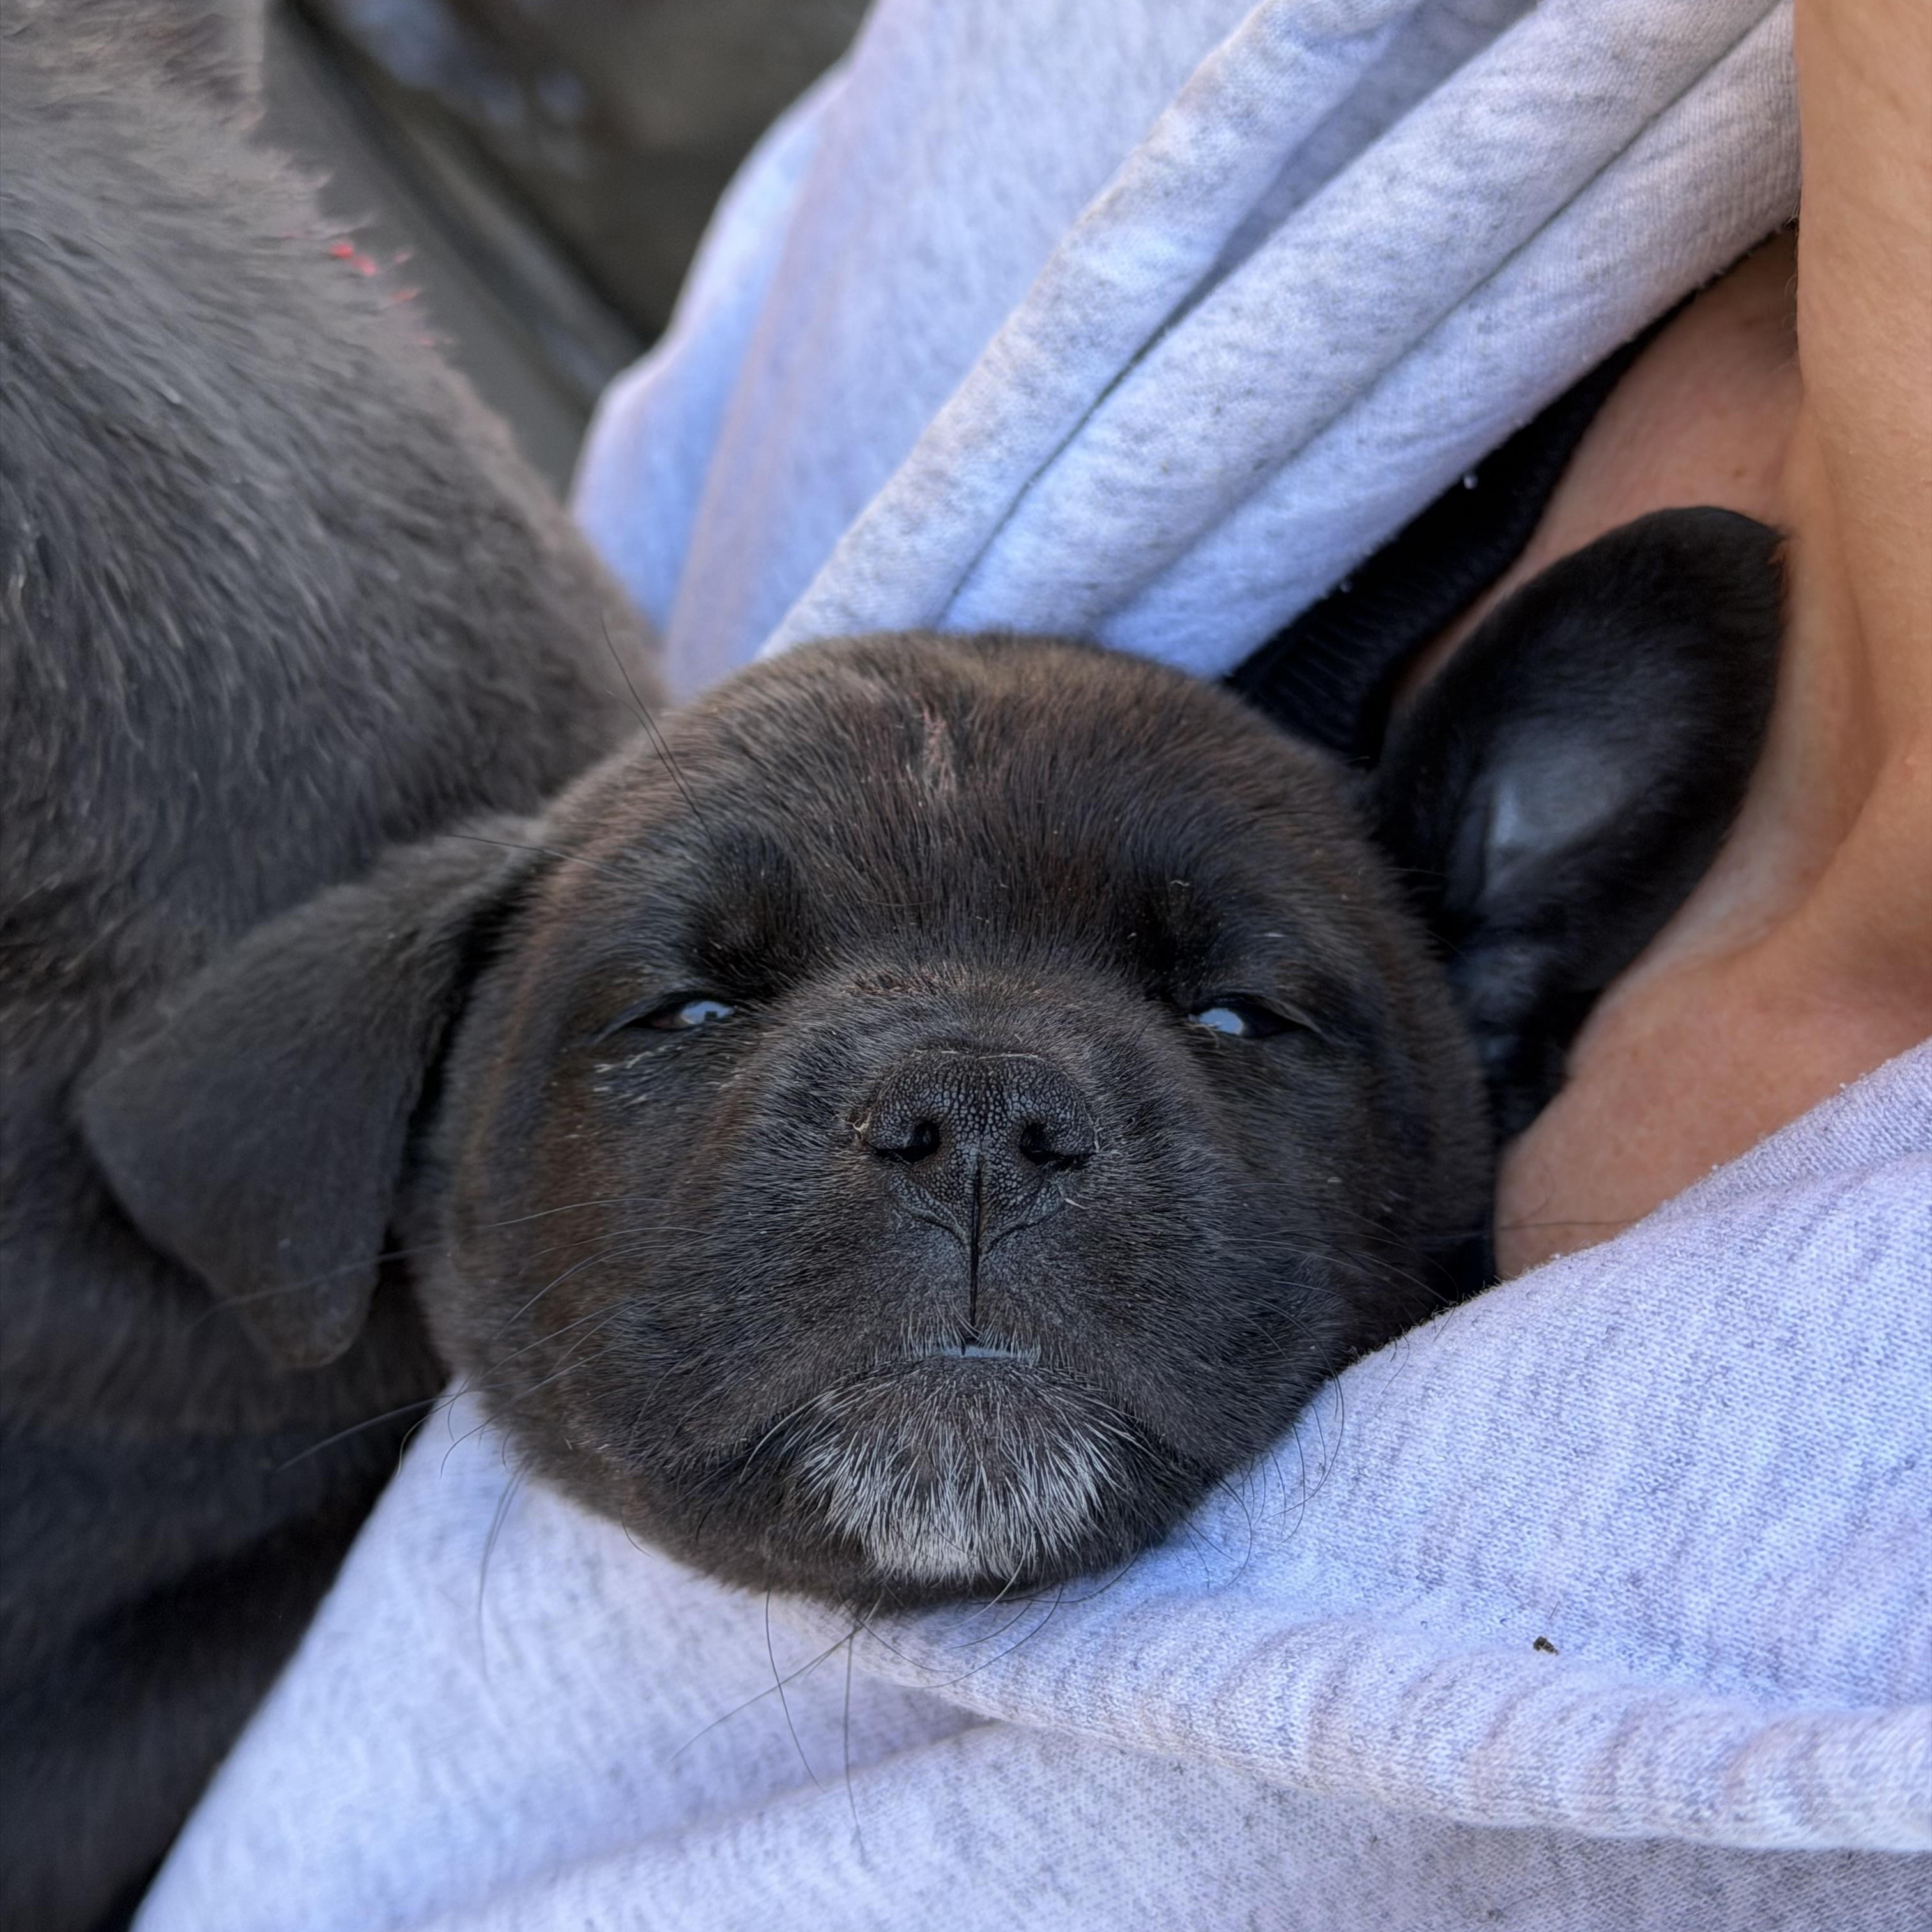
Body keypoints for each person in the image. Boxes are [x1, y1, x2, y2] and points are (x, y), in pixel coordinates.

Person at [134, 1, 1930, 1927]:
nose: (973, 1130)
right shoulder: (1129, 55)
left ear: (1495, 993)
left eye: (1239, 1014)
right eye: (688, 1008)